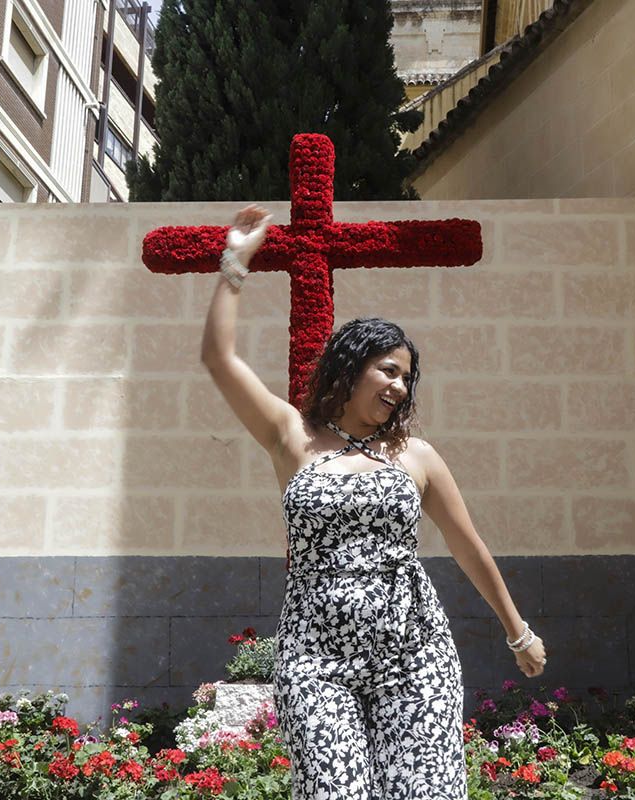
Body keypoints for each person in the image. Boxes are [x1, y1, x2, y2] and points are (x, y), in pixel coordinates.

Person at [200, 205, 546, 799]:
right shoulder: (292, 436)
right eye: (389, 370)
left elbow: (469, 547)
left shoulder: (417, 455)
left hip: (414, 654)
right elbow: (219, 359)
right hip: (316, 658)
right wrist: (235, 263)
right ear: (350, 366)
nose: (400, 387)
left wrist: (518, 631)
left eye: (407, 378)